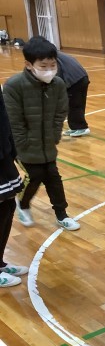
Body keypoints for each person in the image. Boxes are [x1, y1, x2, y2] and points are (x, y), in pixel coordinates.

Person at [3, 36, 80, 231]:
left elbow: (60, 112)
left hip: (47, 144)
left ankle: (62, 214)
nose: (49, 70)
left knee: (53, 178)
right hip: (23, 146)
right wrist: (23, 144)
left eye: (53, 65)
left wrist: (54, 135)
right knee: (34, 175)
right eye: (43, 66)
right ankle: (23, 204)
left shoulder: (58, 84)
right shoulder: (14, 86)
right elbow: (13, 121)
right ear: (29, 65)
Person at [0, 86, 27, 288]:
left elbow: (4, 119)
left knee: (8, 206)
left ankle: (0, 262)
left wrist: (14, 152)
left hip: (3, 155)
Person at [57, 51, 91, 137]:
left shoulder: (51, 58)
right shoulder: (59, 54)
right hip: (81, 77)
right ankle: (75, 127)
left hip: (75, 80)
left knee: (74, 105)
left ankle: (81, 127)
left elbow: (58, 74)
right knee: (73, 104)